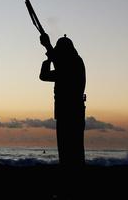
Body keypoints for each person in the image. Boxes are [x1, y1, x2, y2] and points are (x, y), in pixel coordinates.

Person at [39, 33, 86, 167]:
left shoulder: (71, 64)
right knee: (72, 148)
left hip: (69, 111)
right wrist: (47, 46)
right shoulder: (75, 61)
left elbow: (44, 75)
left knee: (68, 148)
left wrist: (47, 59)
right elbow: (58, 60)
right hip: (73, 110)